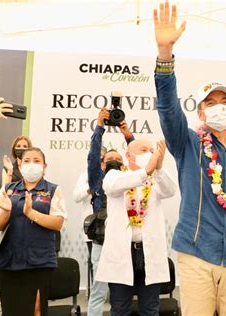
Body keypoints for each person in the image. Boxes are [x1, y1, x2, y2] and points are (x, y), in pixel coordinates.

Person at [153, 2, 226, 315]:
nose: (220, 106)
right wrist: (165, 55)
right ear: (201, 112)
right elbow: (167, 109)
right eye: (211, 102)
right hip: (196, 254)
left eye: (225, 101)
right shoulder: (187, 143)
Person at [96, 138, 176, 316]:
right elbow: (112, 187)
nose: (149, 153)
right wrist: (146, 171)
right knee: (120, 309)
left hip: (148, 254)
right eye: (143, 150)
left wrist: (160, 168)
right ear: (128, 155)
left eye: (151, 150)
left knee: (150, 309)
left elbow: (170, 191)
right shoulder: (114, 175)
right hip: (122, 253)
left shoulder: (156, 179)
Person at [0, 147, 67, 316]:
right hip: (8, 260)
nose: (32, 164)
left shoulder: (53, 190)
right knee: (11, 311)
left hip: (39, 261)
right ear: (20, 166)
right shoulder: (7, 190)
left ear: (45, 166)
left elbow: (57, 223)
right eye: (27, 161)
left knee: (36, 310)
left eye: (37, 161)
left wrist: (31, 213)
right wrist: (6, 211)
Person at [85, 108, 134, 316]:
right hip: (101, 242)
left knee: (122, 293)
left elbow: (140, 159)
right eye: (109, 159)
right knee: (98, 291)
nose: (114, 161)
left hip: (124, 242)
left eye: (118, 159)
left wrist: (128, 136)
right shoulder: (97, 179)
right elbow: (93, 155)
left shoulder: (130, 180)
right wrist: (99, 126)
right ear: (102, 164)